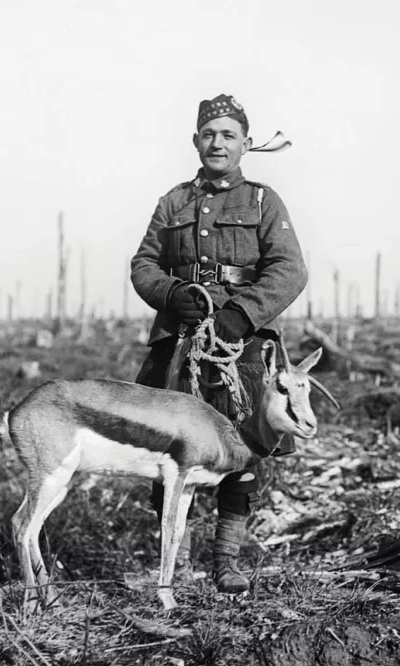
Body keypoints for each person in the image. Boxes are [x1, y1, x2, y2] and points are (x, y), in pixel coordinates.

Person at [130, 94, 308, 593]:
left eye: (229, 135)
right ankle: (173, 562)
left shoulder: (261, 201)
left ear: (246, 145)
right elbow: (143, 264)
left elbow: (290, 269)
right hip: (179, 343)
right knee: (169, 448)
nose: (218, 143)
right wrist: (169, 294)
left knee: (242, 447)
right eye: (209, 134)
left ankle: (225, 563)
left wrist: (243, 314)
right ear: (195, 141)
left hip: (242, 347)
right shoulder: (173, 202)